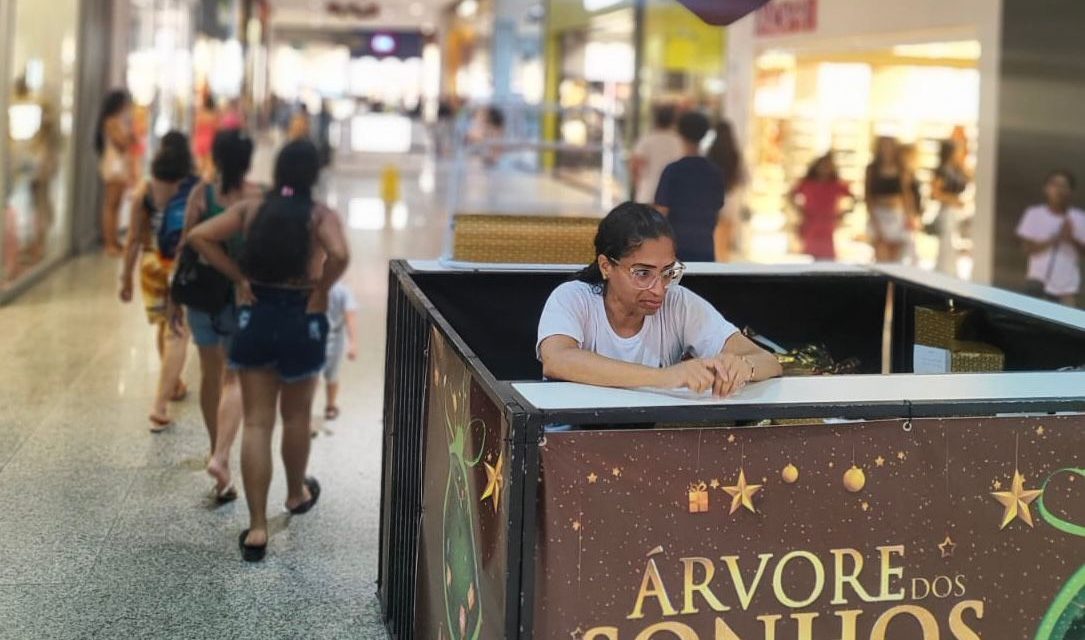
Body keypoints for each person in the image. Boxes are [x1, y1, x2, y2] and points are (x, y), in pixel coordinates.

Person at [187, 140, 350, 562]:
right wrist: (322, 289)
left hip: (256, 312)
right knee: (296, 417)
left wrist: (238, 277)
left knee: (257, 423)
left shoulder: (252, 209)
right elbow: (341, 253)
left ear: (278, 172)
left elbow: (200, 236)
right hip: (301, 315)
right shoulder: (319, 215)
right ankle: (295, 495)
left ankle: (257, 527)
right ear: (314, 174)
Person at [537, 203, 781, 395]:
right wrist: (668, 376)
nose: (659, 289)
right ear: (606, 266)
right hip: (566, 441)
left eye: (667, 273)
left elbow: (768, 361)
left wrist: (743, 367)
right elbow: (558, 359)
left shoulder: (679, 304)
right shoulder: (572, 299)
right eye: (642, 274)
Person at [180, 129, 260, 502]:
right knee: (233, 379)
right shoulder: (254, 197)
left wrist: (171, 298)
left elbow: (186, 244)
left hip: (201, 299)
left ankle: (218, 459)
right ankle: (221, 455)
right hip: (239, 299)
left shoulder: (203, 193)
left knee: (209, 375)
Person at [119, 131, 197, 431]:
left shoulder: (146, 191)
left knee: (164, 326)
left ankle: (173, 383)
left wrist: (125, 278)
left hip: (152, 266)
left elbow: (134, 240)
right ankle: (162, 399)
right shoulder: (192, 189)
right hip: (180, 265)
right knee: (176, 332)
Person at [654, 112, 726, 262]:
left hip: (675, 251)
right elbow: (717, 210)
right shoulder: (715, 172)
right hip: (705, 249)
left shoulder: (673, 171)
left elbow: (661, 213)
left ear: (680, 133)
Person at [1016, 170, 1085, 307]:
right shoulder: (1034, 214)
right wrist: (1055, 239)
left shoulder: (1080, 217)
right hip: (1037, 284)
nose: (1059, 189)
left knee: (1064, 327)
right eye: (1055, 185)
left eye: (1064, 186)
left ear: (1070, 191)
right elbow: (1027, 249)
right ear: (1046, 189)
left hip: (1067, 289)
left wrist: (1071, 238)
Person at [790, 153, 853, 261]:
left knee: (828, 256)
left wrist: (843, 213)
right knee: (810, 254)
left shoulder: (835, 184)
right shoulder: (807, 183)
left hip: (828, 223)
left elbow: (853, 197)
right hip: (811, 222)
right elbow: (791, 194)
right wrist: (799, 210)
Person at [95, 89, 134, 256]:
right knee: (111, 205)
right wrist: (129, 136)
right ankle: (109, 242)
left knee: (116, 205)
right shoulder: (111, 121)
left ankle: (114, 240)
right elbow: (121, 143)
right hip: (114, 165)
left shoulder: (117, 121)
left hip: (118, 165)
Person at [865, 136, 916, 263]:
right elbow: (868, 196)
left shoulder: (901, 169)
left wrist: (910, 216)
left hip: (897, 215)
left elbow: (907, 194)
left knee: (896, 259)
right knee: (881, 256)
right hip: (879, 214)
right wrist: (874, 219)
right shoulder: (872, 169)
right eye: (883, 146)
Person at [705, 119, 748, 262]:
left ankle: (717, 255)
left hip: (712, 195)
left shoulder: (711, 152)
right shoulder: (734, 153)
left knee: (715, 229)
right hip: (731, 194)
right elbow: (742, 176)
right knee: (728, 228)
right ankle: (725, 258)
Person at [931, 139, 971, 276]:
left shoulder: (958, 170)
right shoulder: (942, 171)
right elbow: (935, 193)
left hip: (959, 213)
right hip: (948, 211)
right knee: (947, 245)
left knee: (955, 247)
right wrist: (953, 200)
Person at [321, 280, 358, 422]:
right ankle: (307, 412)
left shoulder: (342, 291)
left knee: (332, 375)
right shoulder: (311, 286)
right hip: (315, 336)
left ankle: (330, 405)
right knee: (313, 377)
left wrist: (353, 343)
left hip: (336, 338)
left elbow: (350, 317)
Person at [630, 104, 682, 205]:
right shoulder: (679, 141)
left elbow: (634, 165)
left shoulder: (646, 140)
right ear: (673, 121)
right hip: (671, 197)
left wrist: (639, 184)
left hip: (647, 193)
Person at [193, 94, 219, 178]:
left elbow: (196, 129)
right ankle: (208, 186)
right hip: (210, 142)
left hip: (200, 142)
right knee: (210, 167)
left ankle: (199, 185)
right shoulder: (214, 116)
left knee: (200, 167)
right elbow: (217, 130)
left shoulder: (199, 115)